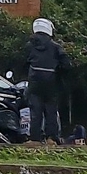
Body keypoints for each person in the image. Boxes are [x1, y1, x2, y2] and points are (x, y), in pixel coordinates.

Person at [23, 17, 71, 145]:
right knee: (51, 111)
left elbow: (22, 63)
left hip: (34, 83)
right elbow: (66, 65)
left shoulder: (29, 46)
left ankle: (35, 139)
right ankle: (52, 138)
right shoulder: (56, 47)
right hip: (52, 84)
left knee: (35, 111)